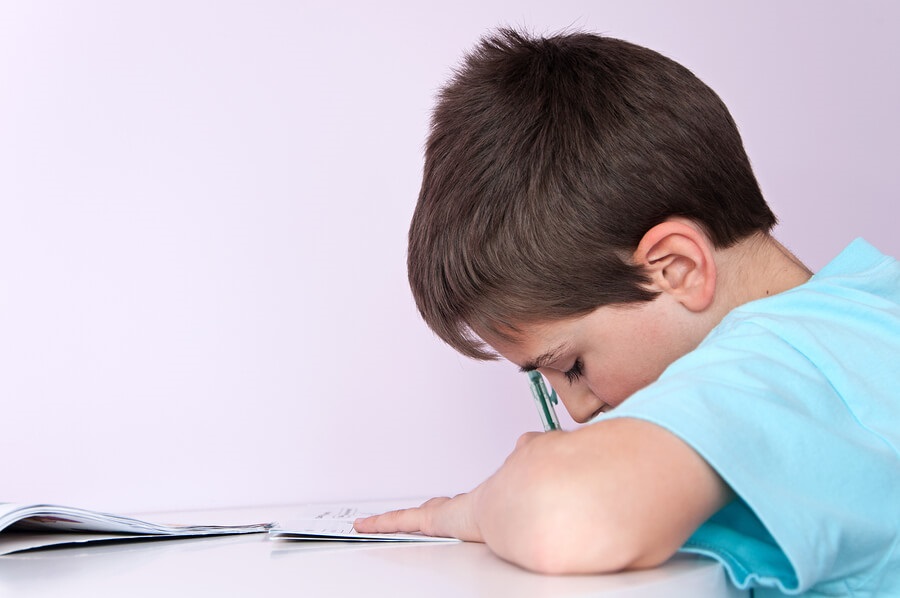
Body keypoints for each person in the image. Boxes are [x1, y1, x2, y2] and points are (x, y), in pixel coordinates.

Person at [353, 28, 900, 596]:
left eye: (572, 367)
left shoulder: (780, 360)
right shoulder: (866, 310)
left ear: (676, 268)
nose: (578, 411)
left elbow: (566, 516)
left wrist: (469, 511)